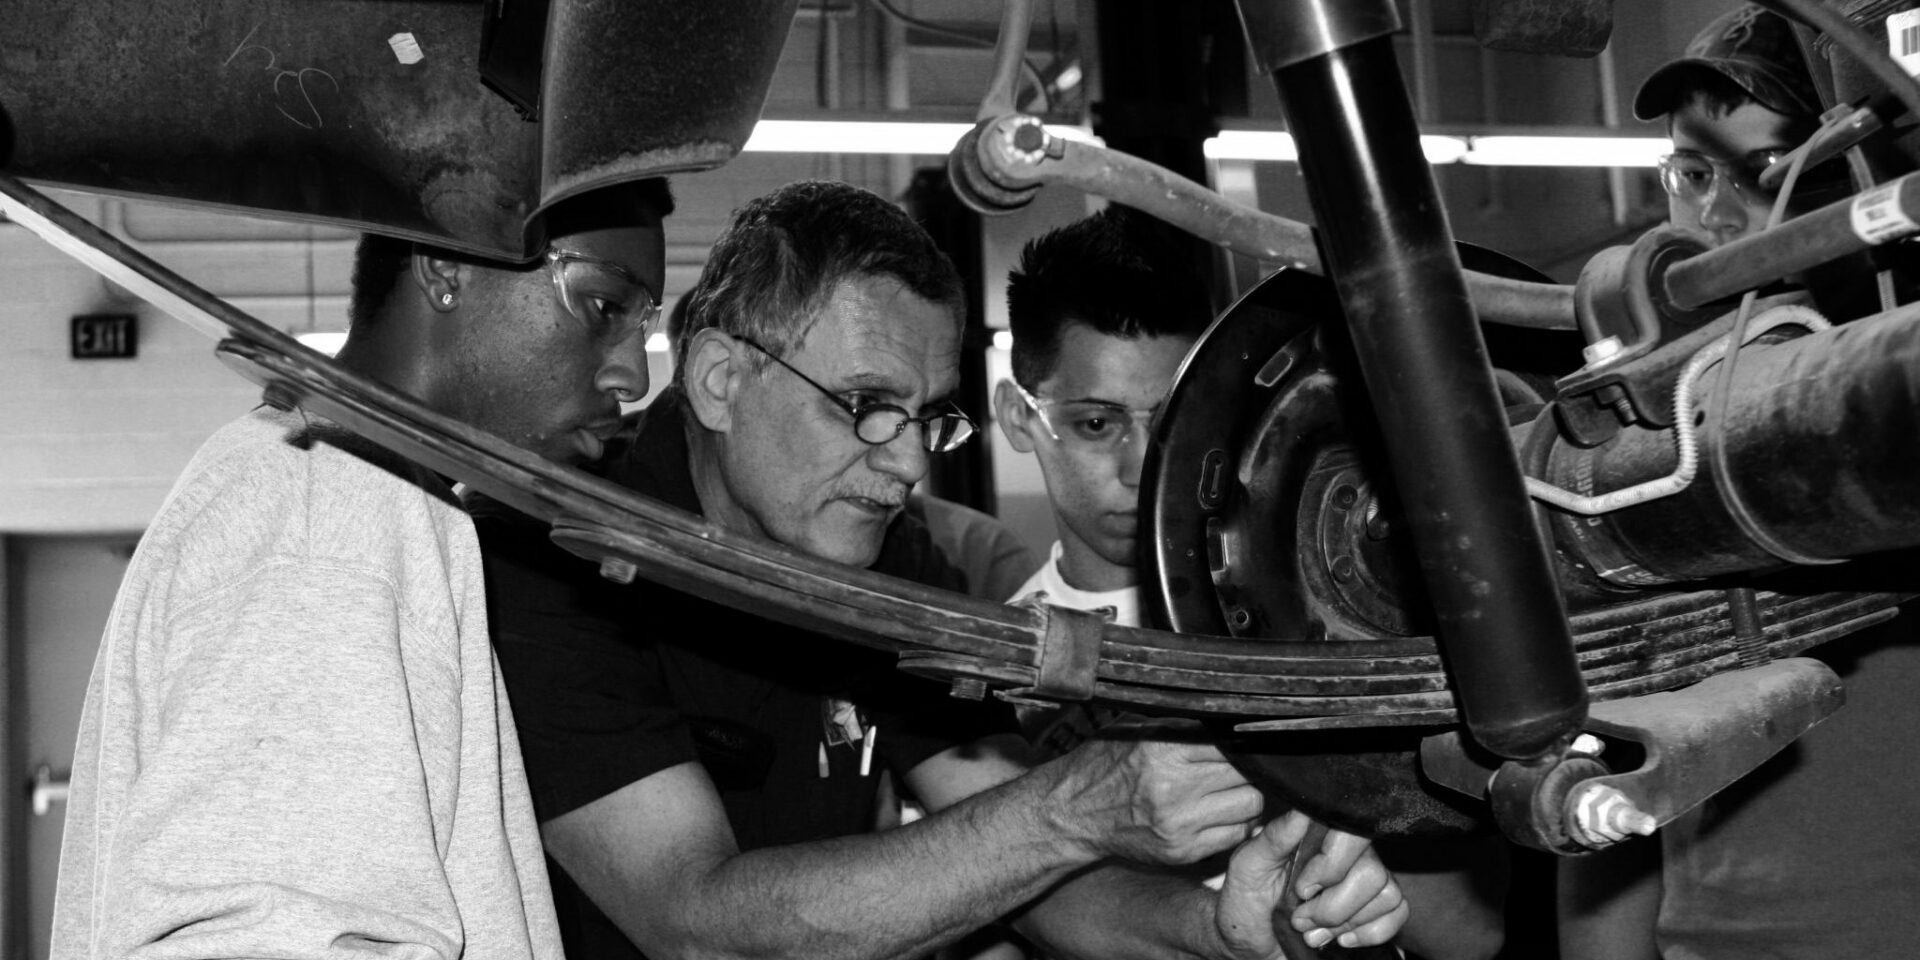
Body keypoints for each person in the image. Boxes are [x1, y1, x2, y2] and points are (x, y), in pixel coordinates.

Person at [472, 179, 1409, 960]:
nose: (911, 463)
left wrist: (1213, 928)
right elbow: (692, 923)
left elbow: (1014, 867)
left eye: (928, 417)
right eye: (868, 405)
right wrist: (1073, 808)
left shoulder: (890, 554)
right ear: (721, 380)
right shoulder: (554, 563)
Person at [49, 179, 673, 960]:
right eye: (605, 306)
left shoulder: (371, 498)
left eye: (642, 325)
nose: (632, 376)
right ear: (446, 266)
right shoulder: (329, 516)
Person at [996, 205, 1507, 960]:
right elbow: (1025, 912)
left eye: (1169, 418)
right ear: (1017, 415)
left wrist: (1329, 809)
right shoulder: (992, 674)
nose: (1140, 470)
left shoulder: (1337, 614)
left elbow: (1474, 935)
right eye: (1097, 424)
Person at [1557, 7, 1920, 959]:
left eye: (1758, 174)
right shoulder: (1651, 434)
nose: (1708, 215)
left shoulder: (1891, 421)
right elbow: (1616, 742)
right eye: (1690, 171)